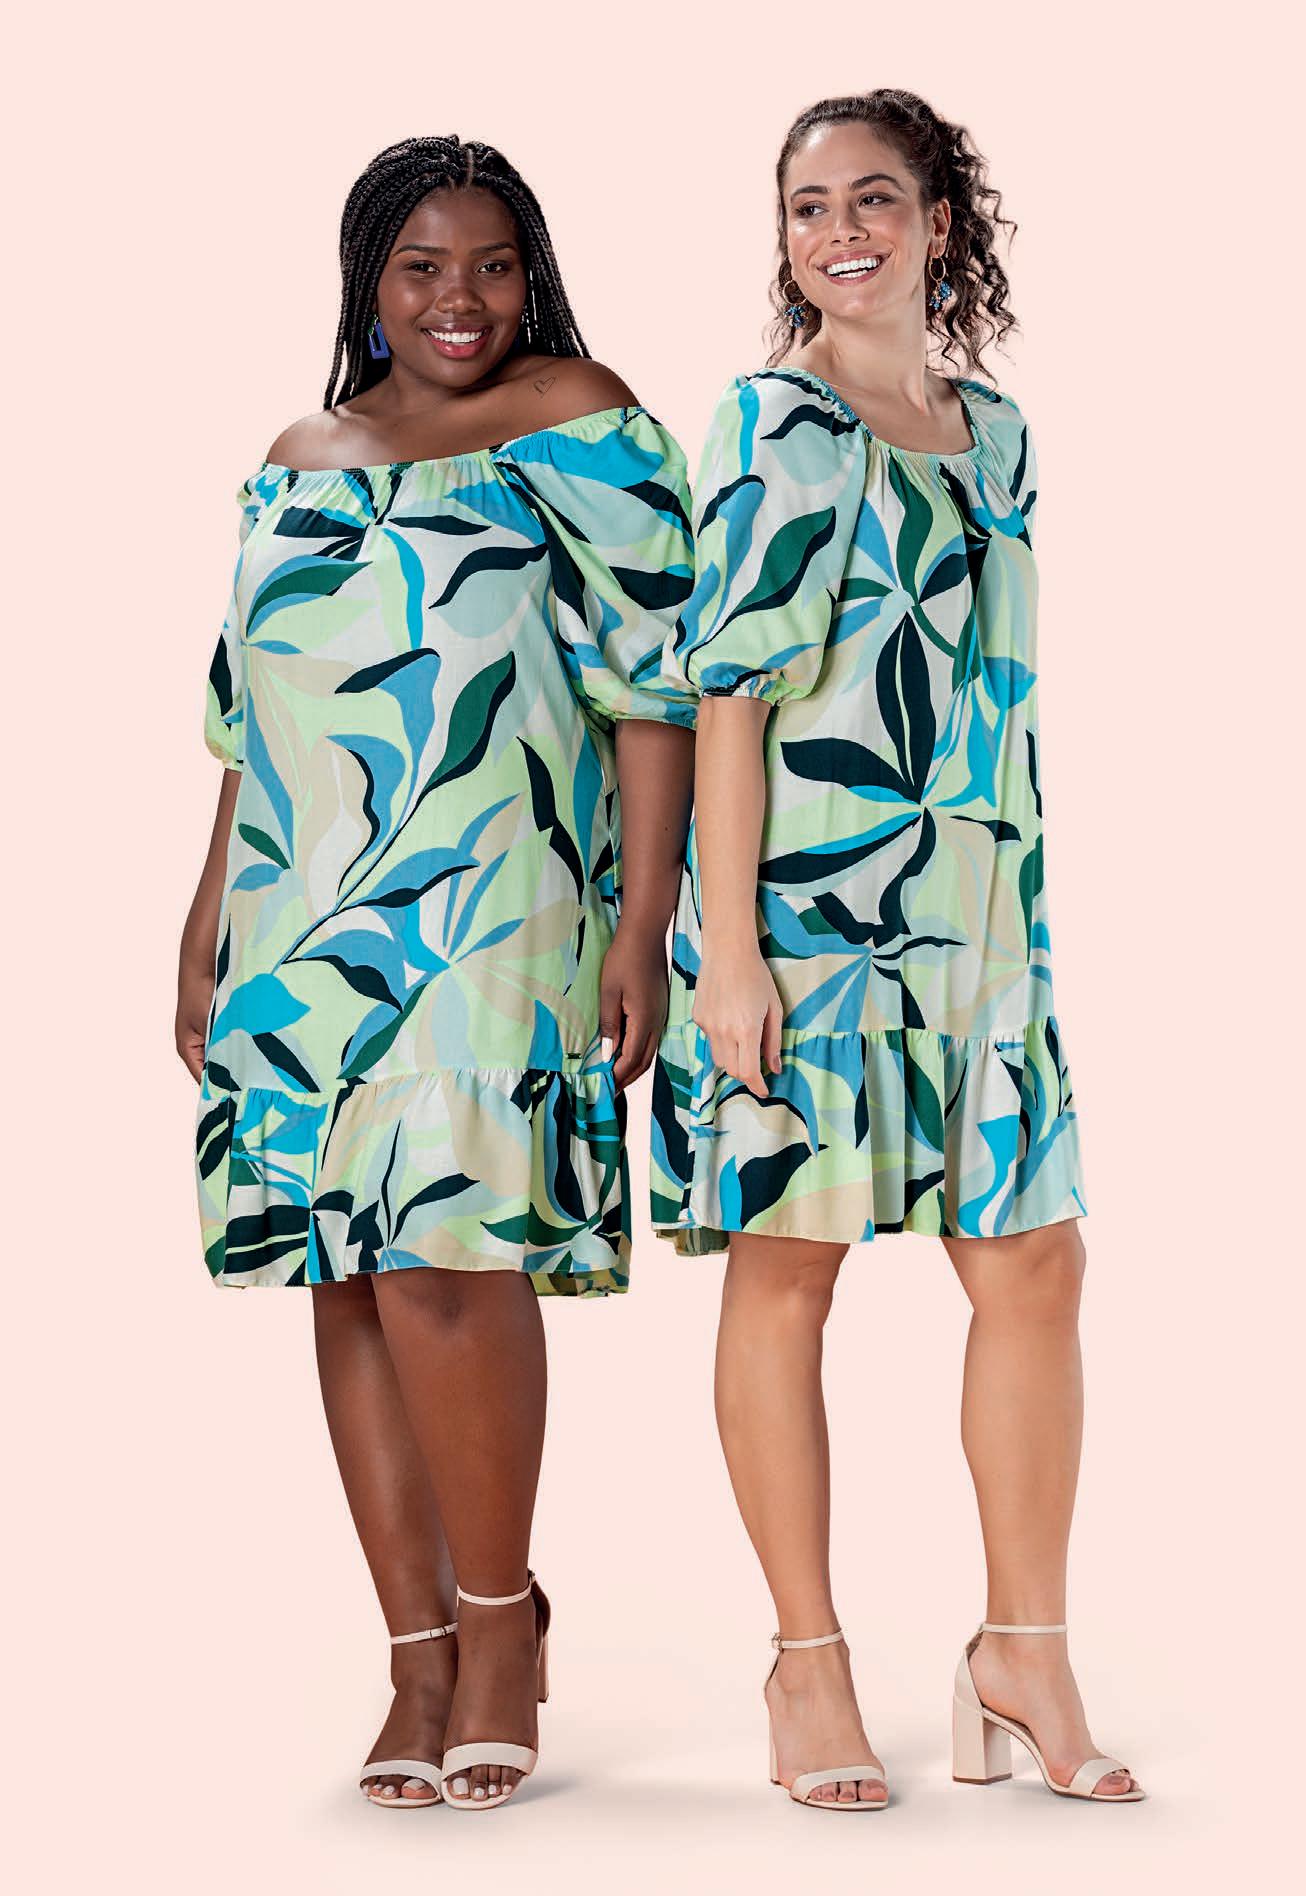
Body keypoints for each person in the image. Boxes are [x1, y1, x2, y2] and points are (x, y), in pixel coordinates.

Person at [176, 135, 694, 1813]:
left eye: (491, 266)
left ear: (530, 278)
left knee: (445, 1265)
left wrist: (642, 925)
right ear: (368, 283)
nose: (458, 299)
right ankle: (414, 1655)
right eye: (420, 267)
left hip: (494, 914)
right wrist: (204, 918)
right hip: (296, 925)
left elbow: (657, 688)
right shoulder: (297, 457)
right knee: (343, 1273)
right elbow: (251, 723)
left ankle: (497, 1627)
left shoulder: (581, 423)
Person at [652, 89, 1141, 1809]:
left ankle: (1023, 1651)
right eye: (807, 207)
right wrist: (727, 953)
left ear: (941, 221)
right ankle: (806, 1666)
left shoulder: (994, 433)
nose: (839, 230)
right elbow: (725, 696)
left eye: (873, 198)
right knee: (791, 1268)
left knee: (1034, 1265)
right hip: (810, 924)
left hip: (980, 932)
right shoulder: (771, 424)